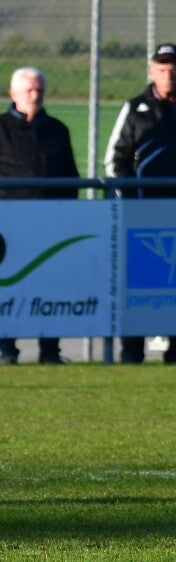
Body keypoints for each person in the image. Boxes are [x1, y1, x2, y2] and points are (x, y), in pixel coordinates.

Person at [0, 67, 77, 365]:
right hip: (9, 226)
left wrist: (66, 215)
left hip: (49, 225)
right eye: (29, 90)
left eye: (39, 90)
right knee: (8, 288)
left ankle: (50, 351)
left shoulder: (57, 130)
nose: (35, 95)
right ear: (13, 94)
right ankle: (7, 349)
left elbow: (71, 177)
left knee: (51, 287)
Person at [105, 42, 176, 364]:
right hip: (143, 215)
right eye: (162, 69)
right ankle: (131, 354)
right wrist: (131, 203)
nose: (168, 75)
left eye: (173, 69)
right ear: (151, 71)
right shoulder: (135, 109)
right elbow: (114, 161)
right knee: (138, 286)